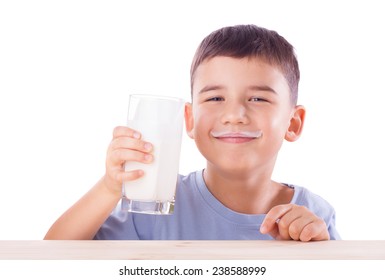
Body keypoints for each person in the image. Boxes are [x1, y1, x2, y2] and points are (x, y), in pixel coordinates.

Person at [44, 24, 340, 241]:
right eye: (214, 98)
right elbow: (52, 257)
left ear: (294, 123)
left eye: (258, 98)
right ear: (189, 120)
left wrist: (318, 253)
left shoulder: (313, 215)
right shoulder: (155, 204)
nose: (234, 115)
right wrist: (110, 187)